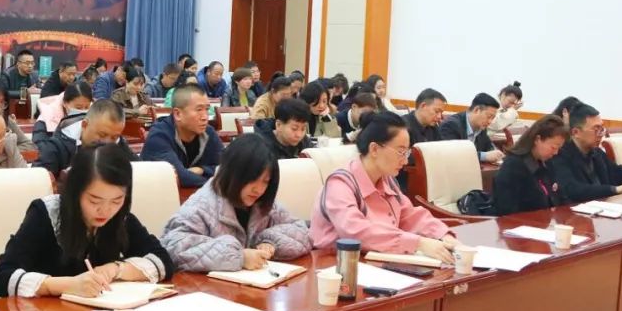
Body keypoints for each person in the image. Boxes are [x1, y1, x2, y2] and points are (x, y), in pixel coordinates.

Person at [0, 144, 174, 298]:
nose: (106, 210)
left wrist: (115, 269)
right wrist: (67, 285)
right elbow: (2, 278)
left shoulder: (120, 218)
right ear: (75, 192)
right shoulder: (46, 214)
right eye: (94, 201)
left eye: (117, 200)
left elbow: (162, 260)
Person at [311, 111, 457, 262]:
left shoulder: (386, 179)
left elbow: (409, 216)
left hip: (376, 258)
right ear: (374, 149)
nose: (405, 161)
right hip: (334, 263)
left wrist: (443, 235)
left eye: (407, 153)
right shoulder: (340, 184)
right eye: (401, 152)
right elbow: (356, 232)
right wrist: (419, 243)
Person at [161, 135, 313, 271]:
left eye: (265, 181)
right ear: (233, 173)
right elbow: (172, 248)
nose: (259, 189)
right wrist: (239, 256)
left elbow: (302, 232)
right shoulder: (201, 205)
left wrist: (270, 241)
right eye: (252, 179)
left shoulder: (264, 203)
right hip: (209, 290)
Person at [550, 103, 622, 203]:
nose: (601, 134)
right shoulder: (559, 155)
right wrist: (615, 189)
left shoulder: (596, 153)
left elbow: (620, 173)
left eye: (602, 128)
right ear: (576, 132)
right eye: (596, 129)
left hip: (604, 207)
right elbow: (573, 189)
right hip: (575, 211)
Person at [141, 84, 222, 188]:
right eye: (199, 110)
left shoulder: (208, 132)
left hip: (198, 195)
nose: (205, 117)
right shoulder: (159, 136)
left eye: (207, 109)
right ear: (178, 114)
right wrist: (218, 183)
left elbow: (227, 168)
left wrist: (202, 170)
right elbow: (180, 177)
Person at [35, 99, 134, 177]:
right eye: (102, 135)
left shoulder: (120, 146)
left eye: (114, 137)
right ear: (84, 125)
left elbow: (138, 175)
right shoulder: (56, 147)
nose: (107, 143)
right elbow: (38, 184)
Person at [492, 115, 569, 216]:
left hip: (546, 222)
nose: (556, 152)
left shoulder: (547, 162)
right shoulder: (513, 166)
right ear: (537, 139)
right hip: (522, 223)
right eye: (553, 147)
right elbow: (507, 212)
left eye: (559, 148)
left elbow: (560, 198)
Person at [438, 93, 504, 164]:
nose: (490, 121)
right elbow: (453, 154)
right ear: (476, 110)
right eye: (489, 117)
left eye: (493, 118)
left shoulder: (481, 126)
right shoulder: (451, 125)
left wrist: (496, 153)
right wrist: (484, 156)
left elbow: (489, 147)